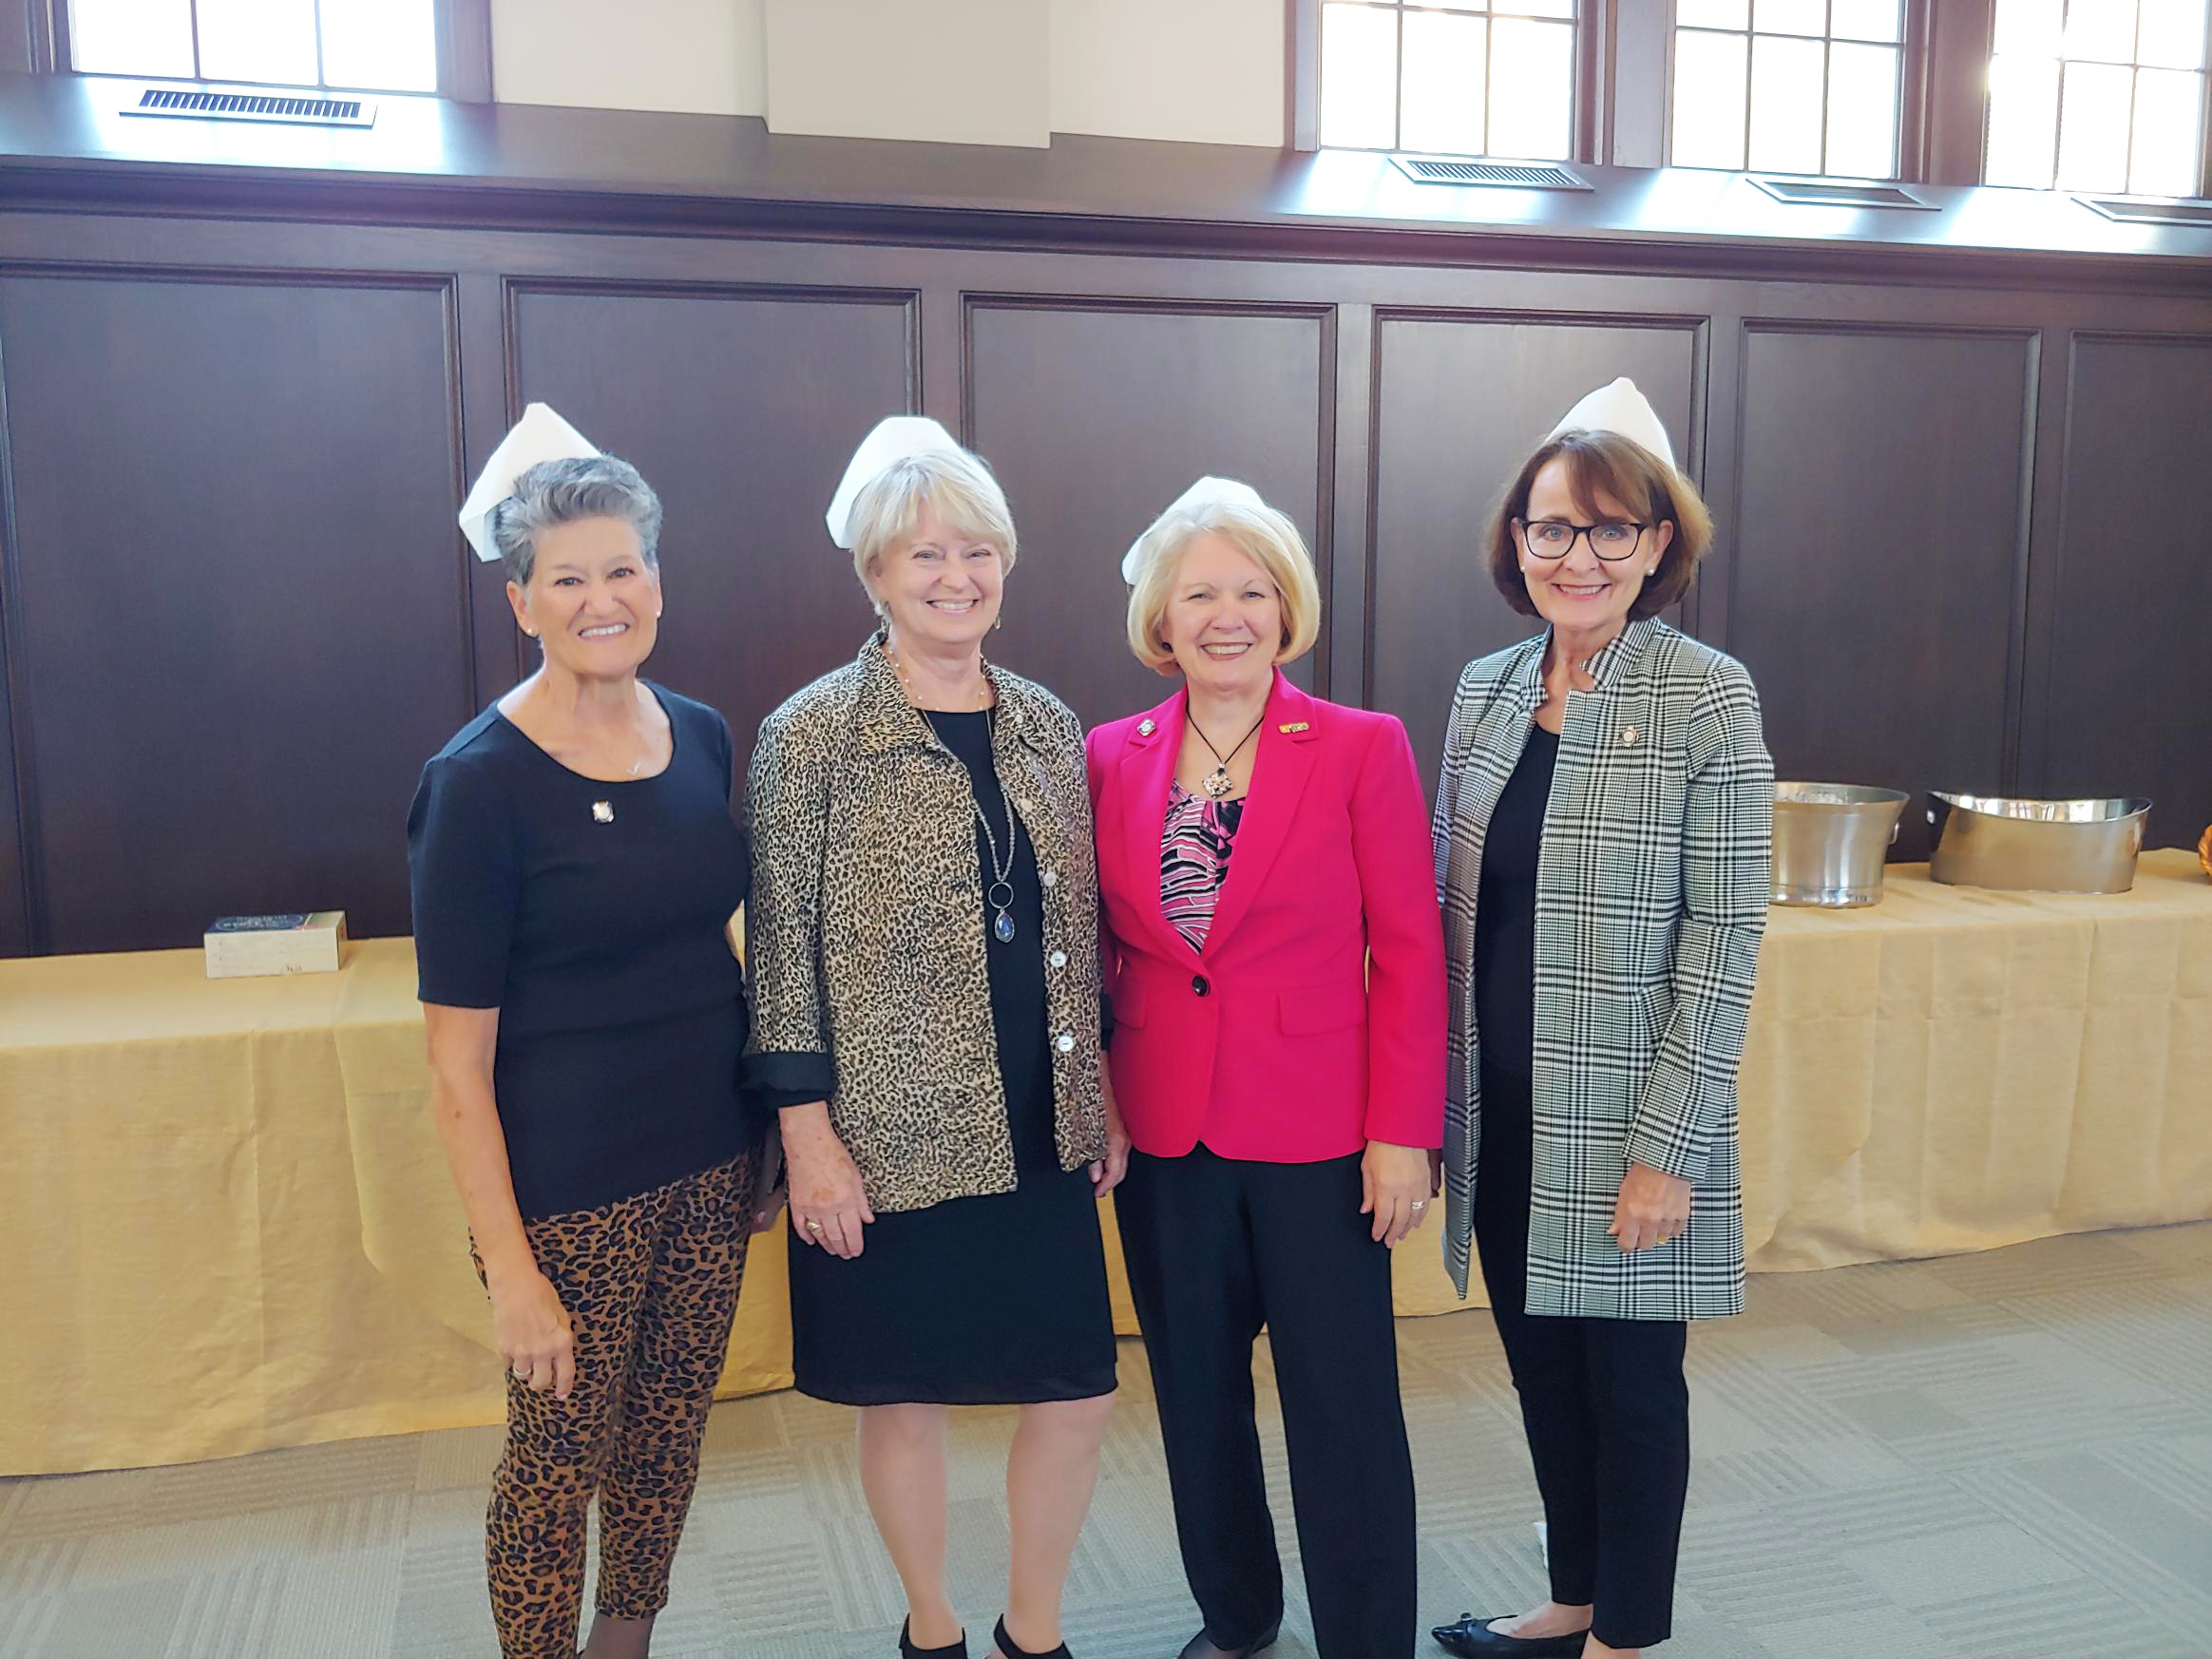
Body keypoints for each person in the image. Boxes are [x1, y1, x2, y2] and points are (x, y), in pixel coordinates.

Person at [744, 417, 1127, 1659]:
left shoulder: (1048, 724)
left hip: (1038, 1118)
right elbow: (782, 954)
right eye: (925, 557)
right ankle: (933, 1625)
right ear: (874, 574)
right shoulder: (812, 734)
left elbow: (1081, 922)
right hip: (882, 1136)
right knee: (898, 1394)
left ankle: (1036, 1628)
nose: (956, 577)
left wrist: (1101, 1091)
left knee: (1078, 1390)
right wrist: (807, 1136)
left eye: (977, 551)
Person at [408, 405, 762, 1659]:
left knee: (667, 1436)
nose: (602, 597)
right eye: (569, 578)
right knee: (557, 1462)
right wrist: (510, 1270)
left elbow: (729, 942)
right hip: (565, 1197)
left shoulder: (704, 735)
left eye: (623, 568)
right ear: (522, 603)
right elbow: (455, 1069)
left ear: (656, 580)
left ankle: (628, 1643)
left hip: (710, 1165)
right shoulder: (478, 783)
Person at [1428, 380, 1773, 1659]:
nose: (1579, 555)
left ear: (1659, 543)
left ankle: (1624, 1636)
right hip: (1501, 1110)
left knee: (1631, 1390)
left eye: (1610, 529)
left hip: (1629, 1118)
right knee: (1539, 1368)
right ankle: (1571, 1597)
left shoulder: (1706, 695)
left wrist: (1670, 1146)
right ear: (1516, 543)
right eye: (1552, 528)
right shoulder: (1487, 687)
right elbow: (1443, 889)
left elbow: (1727, 936)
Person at [1087, 477, 1446, 1659]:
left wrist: (1404, 1131)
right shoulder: (1108, 754)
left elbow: (1406, 950)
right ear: (1161, 616)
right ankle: (1235, 1616)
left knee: (1344, 1410)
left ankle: (1365, 1641)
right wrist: (1094, 1098)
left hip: (1322, 1139)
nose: (1225, 614)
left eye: (1252, 590)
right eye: (1199, 592)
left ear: (1287, 610)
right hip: (1164, 1137)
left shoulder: (1358, 745)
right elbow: (1089, 953)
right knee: (1195, 1399)